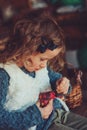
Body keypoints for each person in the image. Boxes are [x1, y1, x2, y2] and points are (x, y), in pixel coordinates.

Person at [0, 13, 87, 130]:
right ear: (26, 48)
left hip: (56, 114)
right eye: (42, 59)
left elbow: (53, 78)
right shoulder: (5, 75)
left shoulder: (39, 66)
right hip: (37, 126)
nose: (44, 64)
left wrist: (63, 84)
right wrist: (37, 114)